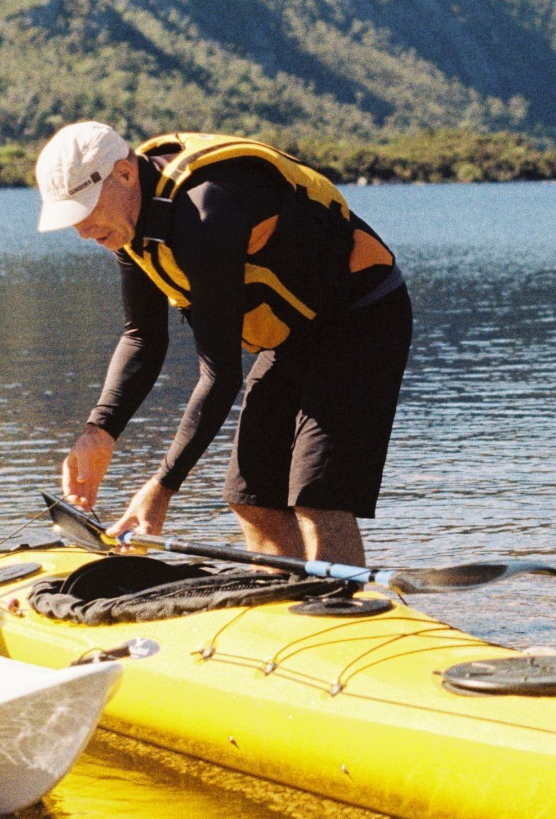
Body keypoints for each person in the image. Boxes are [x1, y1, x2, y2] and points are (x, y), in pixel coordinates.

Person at [39, 124, 412, 565]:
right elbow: (143, 337)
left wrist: (160, 490)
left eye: (84, 210)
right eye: (72, 218)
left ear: (124, 174)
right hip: (294, 334)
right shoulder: (129, 224)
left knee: (318, 497)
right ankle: (290, 603)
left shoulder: (207, 213)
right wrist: (98, 431)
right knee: (252, 497)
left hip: (363, 318)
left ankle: (344, 613)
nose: (82, 231)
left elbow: (219, 376)